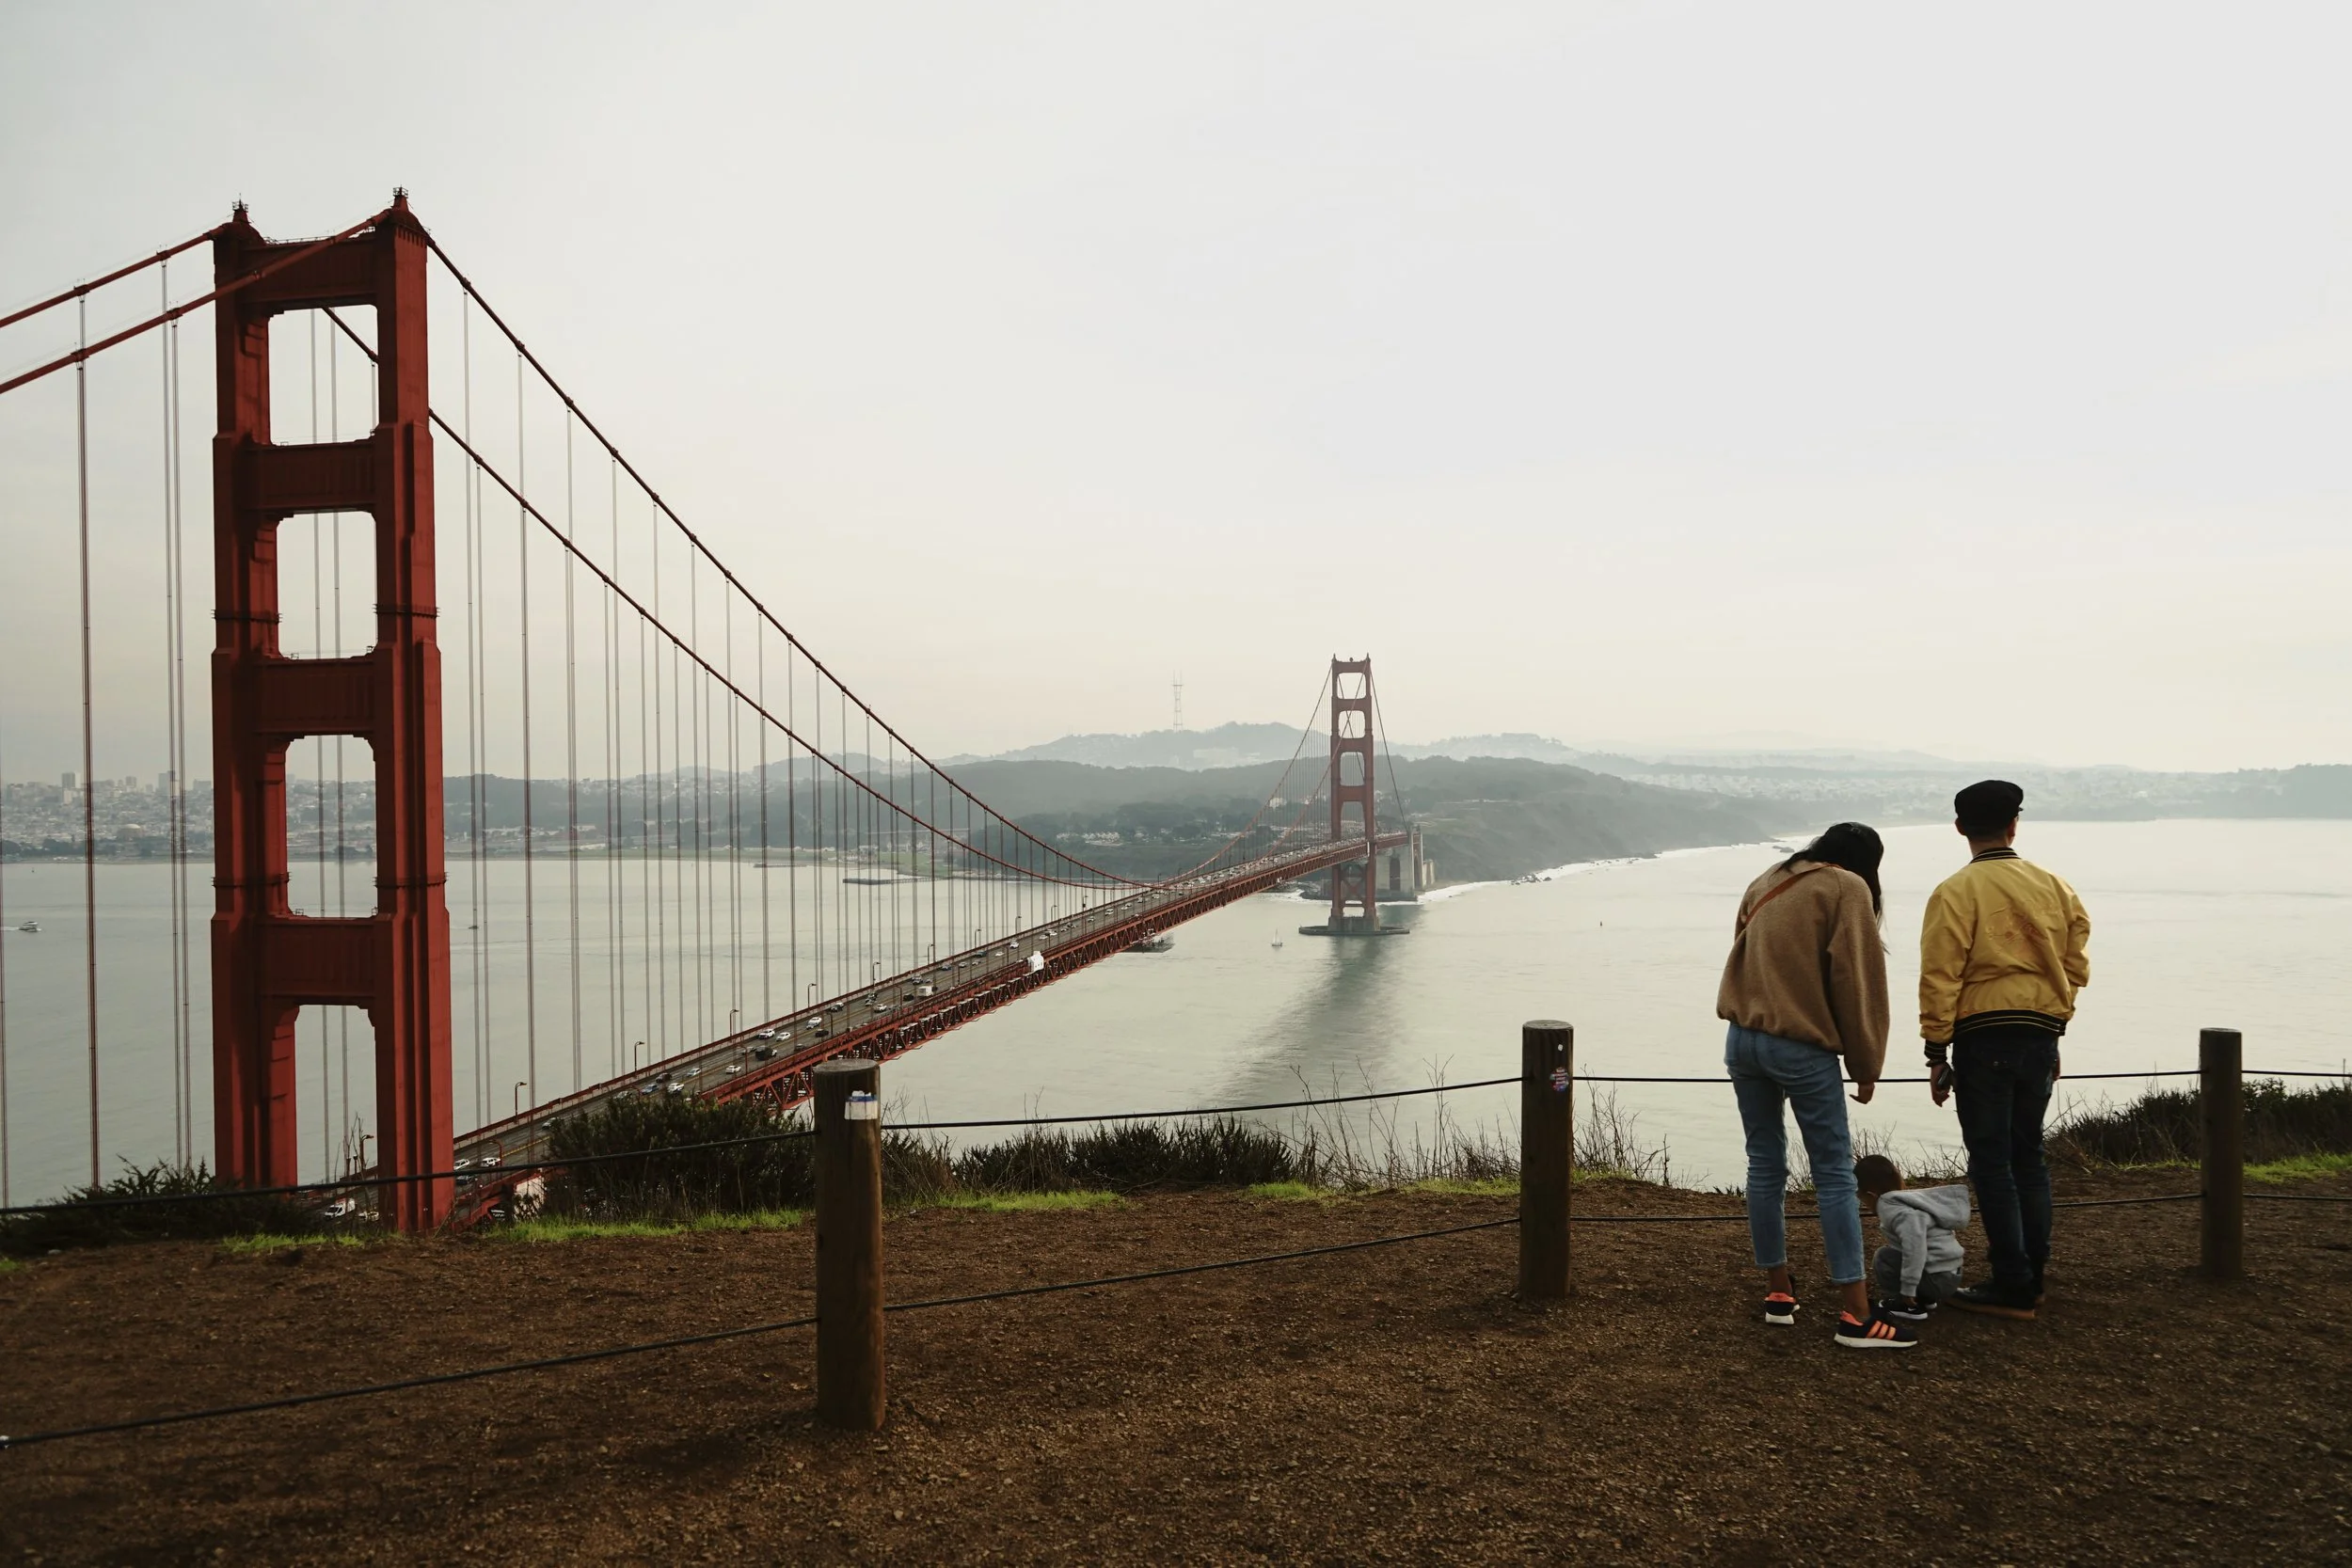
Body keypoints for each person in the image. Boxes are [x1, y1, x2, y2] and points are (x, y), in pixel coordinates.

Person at [1717, 822, 1915, 1349]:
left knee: (1764, 1163)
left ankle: (1778, 1291)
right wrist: (1866, 1063)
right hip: (1800, 1045)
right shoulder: (1845, 888)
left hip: (1743, 1039)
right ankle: (1856, 1314)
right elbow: (1857, 979)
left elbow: (1745, 956)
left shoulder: (1767, 879)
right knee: (1833, 1174)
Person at [1919, 779, 2091, 1322]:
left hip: (1983, 1035)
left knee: (1992, 1162)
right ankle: (2032, 1278)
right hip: (2040, 1033)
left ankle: (2012, 1283)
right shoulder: (2055, 887)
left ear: (1959, 828)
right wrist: (2055, 1026)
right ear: (2014, 824)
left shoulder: (1954, 892)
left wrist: (1935, 1051)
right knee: (2029, 1157)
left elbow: (1940, 975)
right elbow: (2076, 962)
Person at [1856, 1153, 1968, 1321]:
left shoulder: (1894, 1210)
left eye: (1862, 1199)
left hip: (1938, 1280)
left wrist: (1908, 1289)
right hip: (1951, 1274)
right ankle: (1925, 1298)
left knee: (1884, 1257)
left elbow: (1915, 1249)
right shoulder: (1911, 1201)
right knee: (1896, 1253)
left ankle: (1908, 1305)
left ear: (1871, 1195)